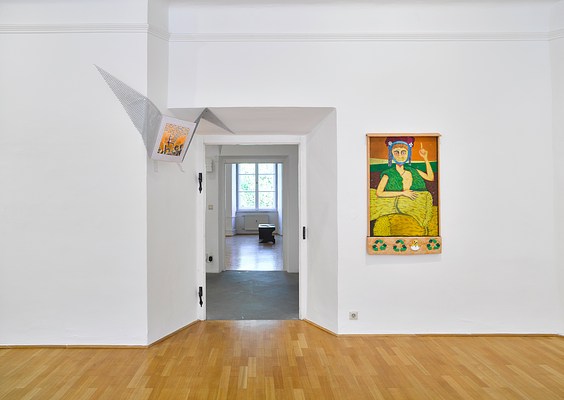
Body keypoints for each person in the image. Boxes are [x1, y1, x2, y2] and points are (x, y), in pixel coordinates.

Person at [371, 136, 436, 236]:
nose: (400, 155)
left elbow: (431, 177)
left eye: (403, 152)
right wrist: (402, 193)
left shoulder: (413, 171)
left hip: (417, 210)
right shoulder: (388, 174)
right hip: (397, 212)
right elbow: (379, 193)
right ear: (391, 154)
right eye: (396, 152)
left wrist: (425, 158)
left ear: (408, 153)